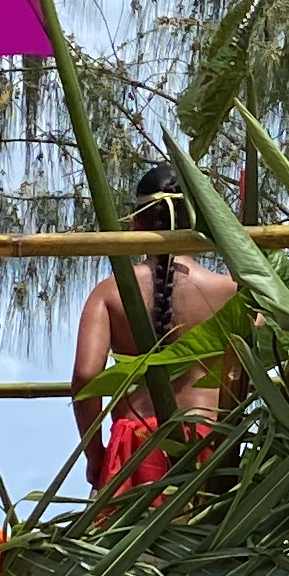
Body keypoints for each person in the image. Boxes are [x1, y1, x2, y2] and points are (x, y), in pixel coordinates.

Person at [67, 165, 238, 494]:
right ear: (197, 224)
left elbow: (86, 377)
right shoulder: (231, 292)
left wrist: (95, 455)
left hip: (137, 451)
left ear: (136, 224)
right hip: (214, 449)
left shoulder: (110, 292)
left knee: (130, 545)